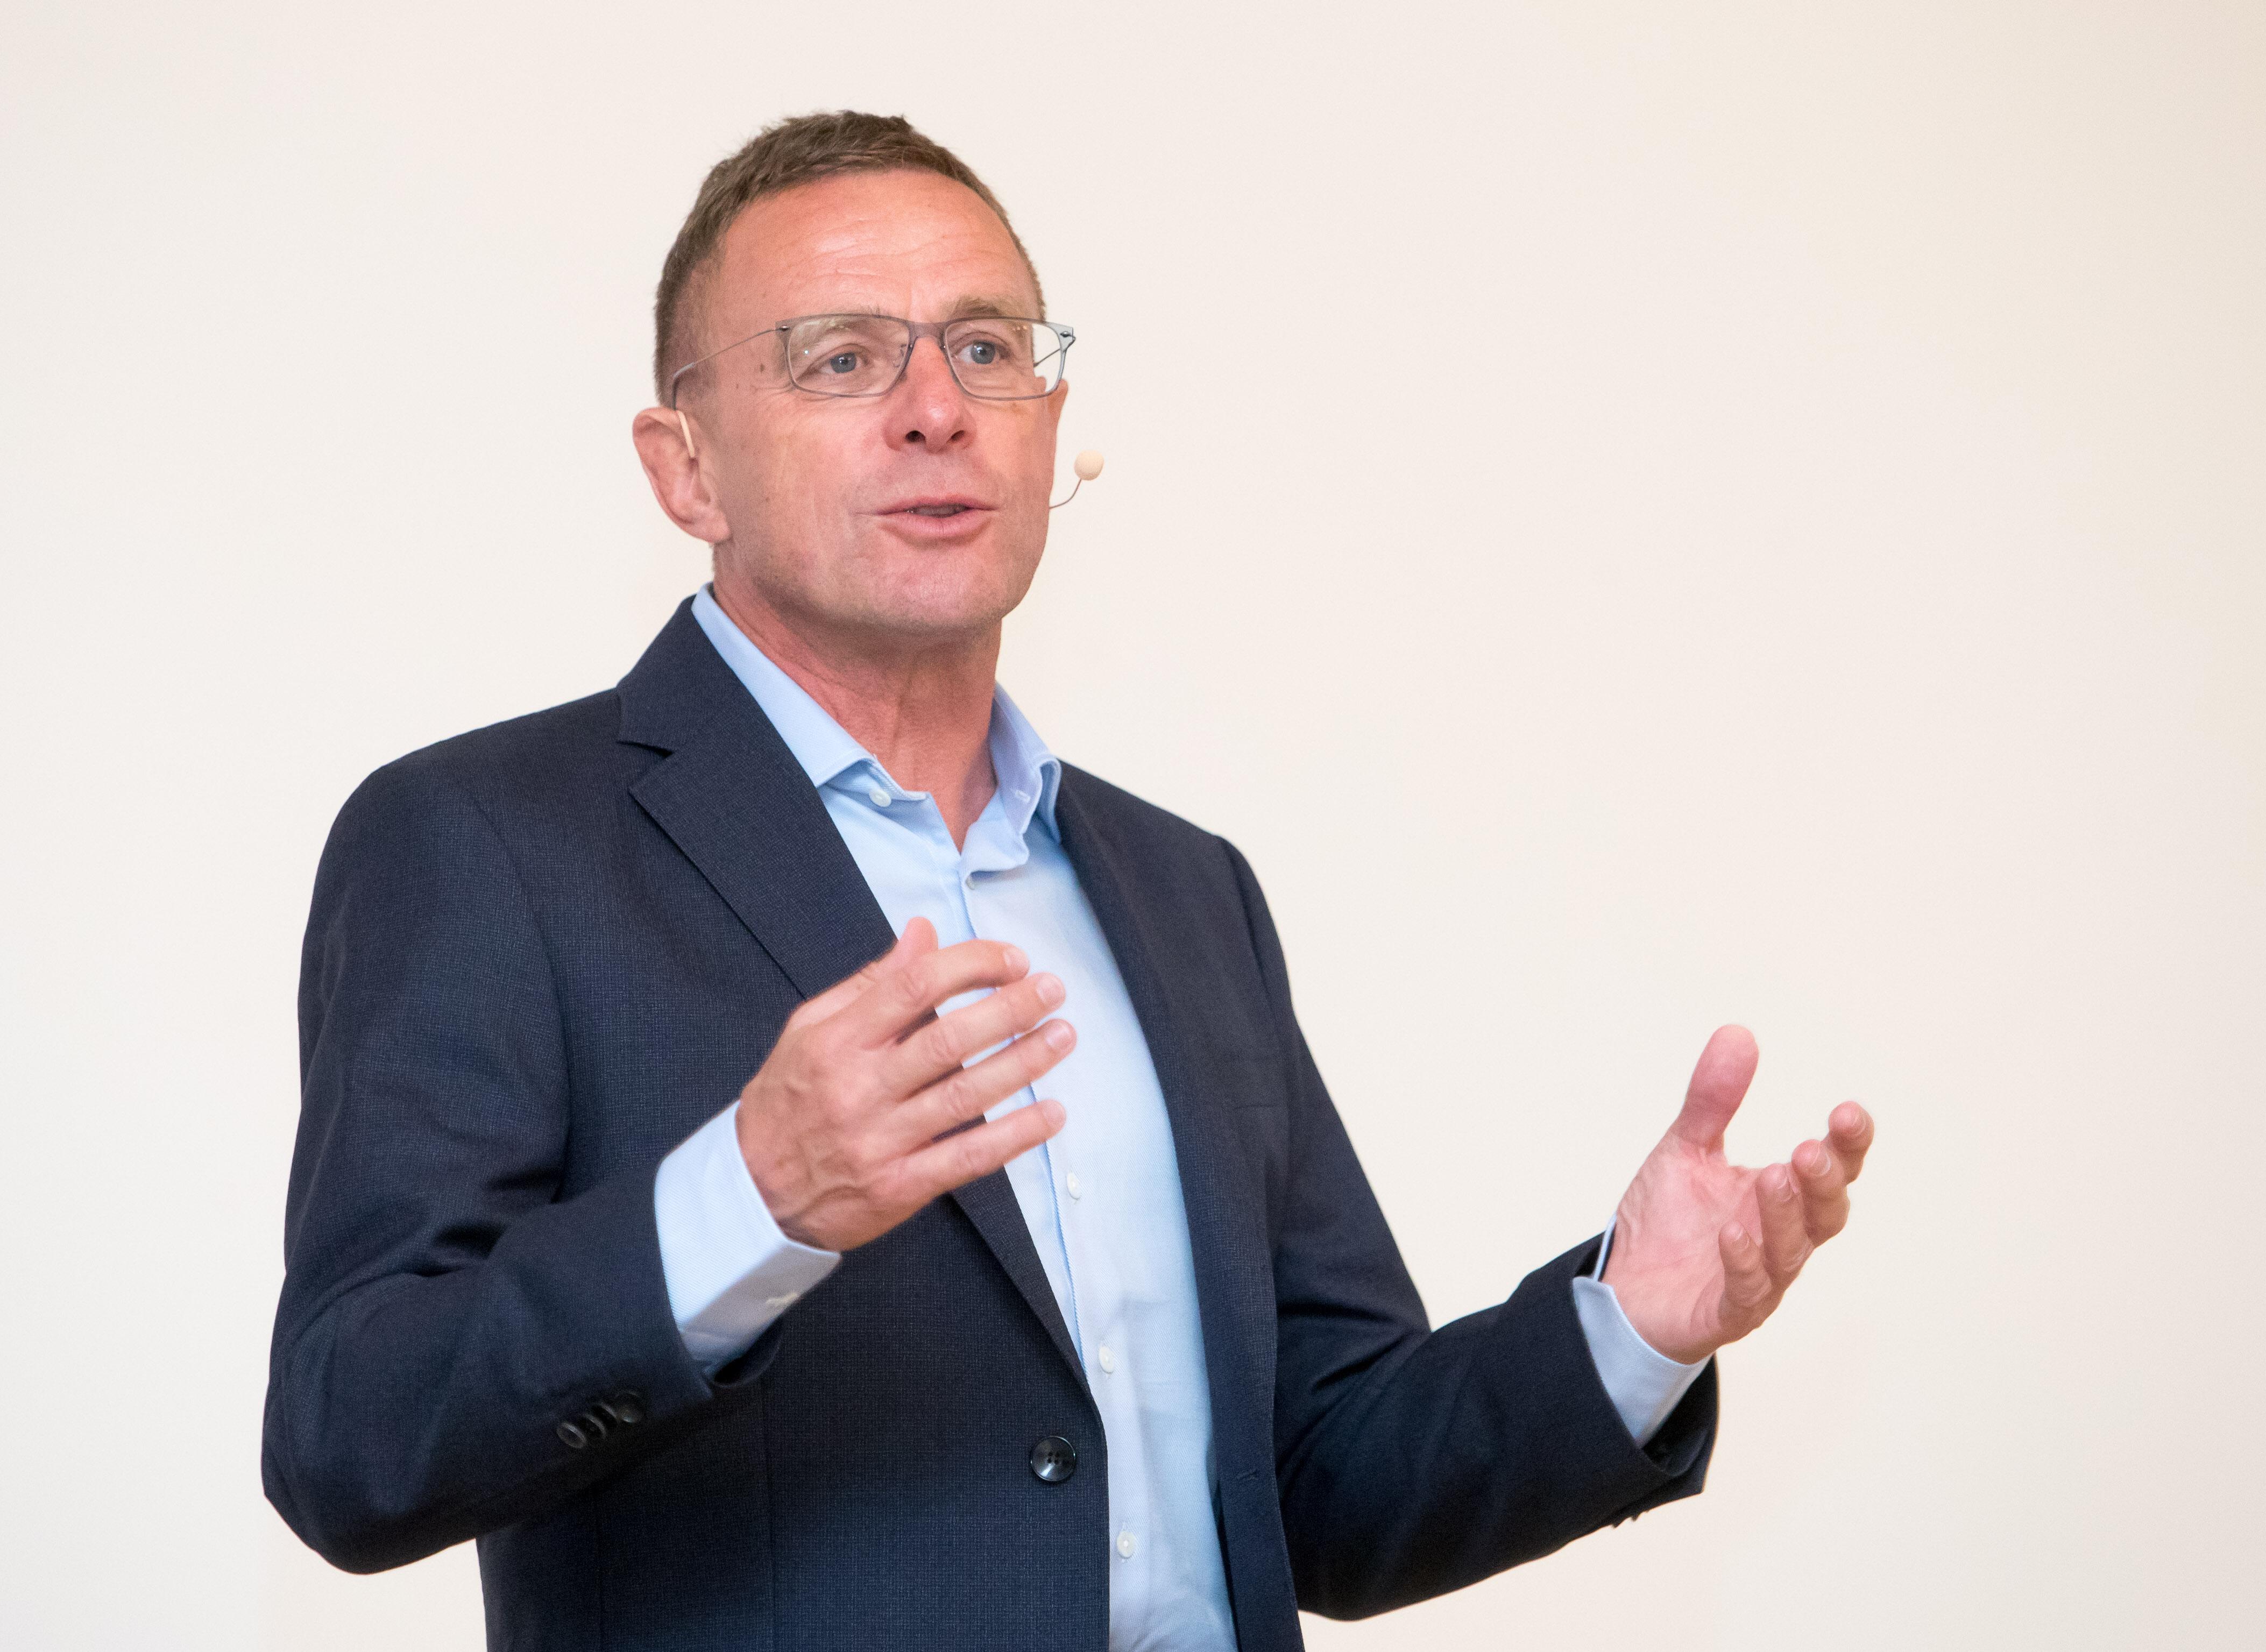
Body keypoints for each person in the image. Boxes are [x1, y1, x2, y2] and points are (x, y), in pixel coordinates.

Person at [263, 111, 1875, 1652]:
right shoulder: (484, 841)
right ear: (686, 470)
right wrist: (745, 1202)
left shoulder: (1186, 892)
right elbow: (353, 1437)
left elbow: (1324, 1485)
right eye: (841, 359)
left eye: (986, 350)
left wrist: (1628, 1331)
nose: (936, 409)